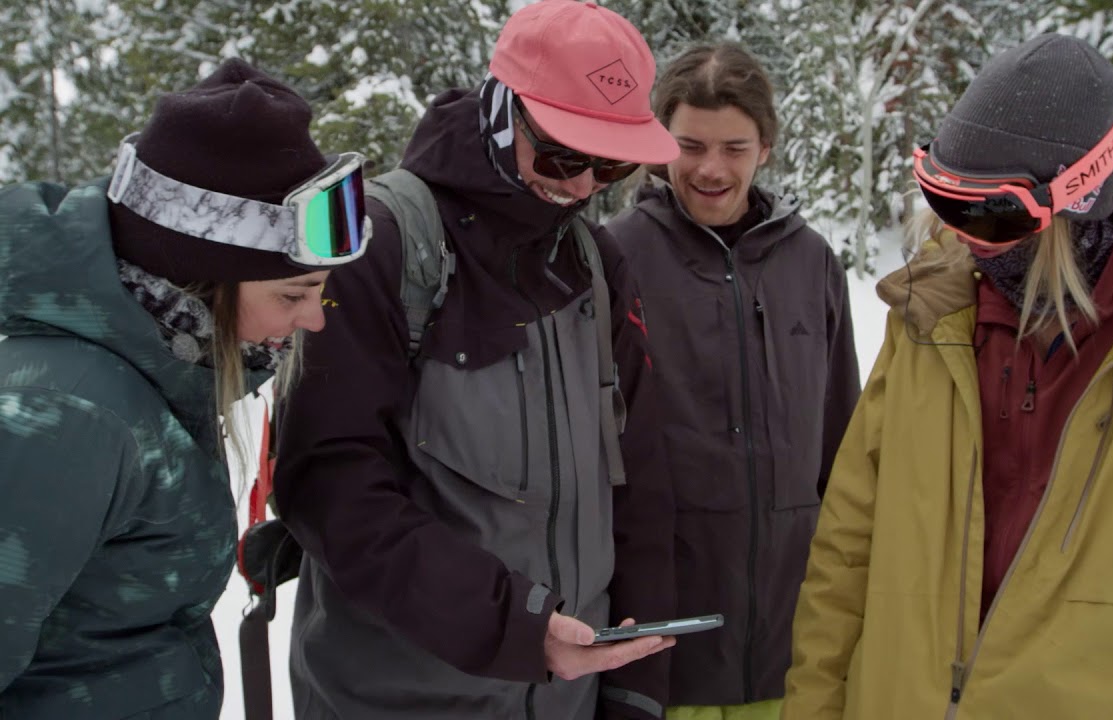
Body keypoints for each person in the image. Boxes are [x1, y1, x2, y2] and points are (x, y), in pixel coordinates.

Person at [781, 33, 1113, 719]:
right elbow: (847, 553)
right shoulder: (933, 318)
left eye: (990, 212)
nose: (962, 237)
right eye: (944, 201)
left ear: (1078, 196)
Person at [272, 1, 680, 718]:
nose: (583, 187)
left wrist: (635, 691)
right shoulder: (382, 249)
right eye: (561, 155)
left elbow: (639, 483)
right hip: (397, 701)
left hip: (568, 700)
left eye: (611, 165)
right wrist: (512, 626)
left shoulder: (597, 264)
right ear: (501, 112)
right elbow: (331, 488)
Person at [0, 59, 368, 719]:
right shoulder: (66, 418)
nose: (313, 318)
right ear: (203, 280)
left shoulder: (152, 372)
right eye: (294, 293)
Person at [606, 43, 860, 720]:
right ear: (660, 142)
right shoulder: (613, 259)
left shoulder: (811, 264)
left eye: (735, 148)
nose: (711, 169)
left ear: (766, 148)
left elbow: (845, 443)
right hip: (663, 650)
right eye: (690, 145)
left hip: (793, 646)